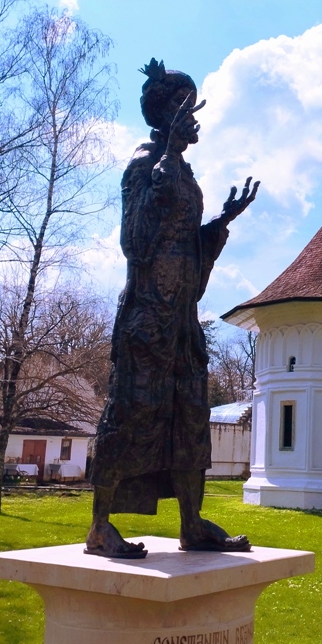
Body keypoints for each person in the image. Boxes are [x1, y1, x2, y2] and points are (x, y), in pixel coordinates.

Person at [85, 59, 259, 558]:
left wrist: (220, 223)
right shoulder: (145, 164)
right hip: (147, 318)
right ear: (167, 115)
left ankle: (191, 523)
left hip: (181, 319)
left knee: (190, 417)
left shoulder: (183, 171)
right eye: (188, 109)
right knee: (131, 412)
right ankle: (99, 527)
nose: (196, 119)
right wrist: (164, 170)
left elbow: (185, 246)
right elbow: (136, 243)